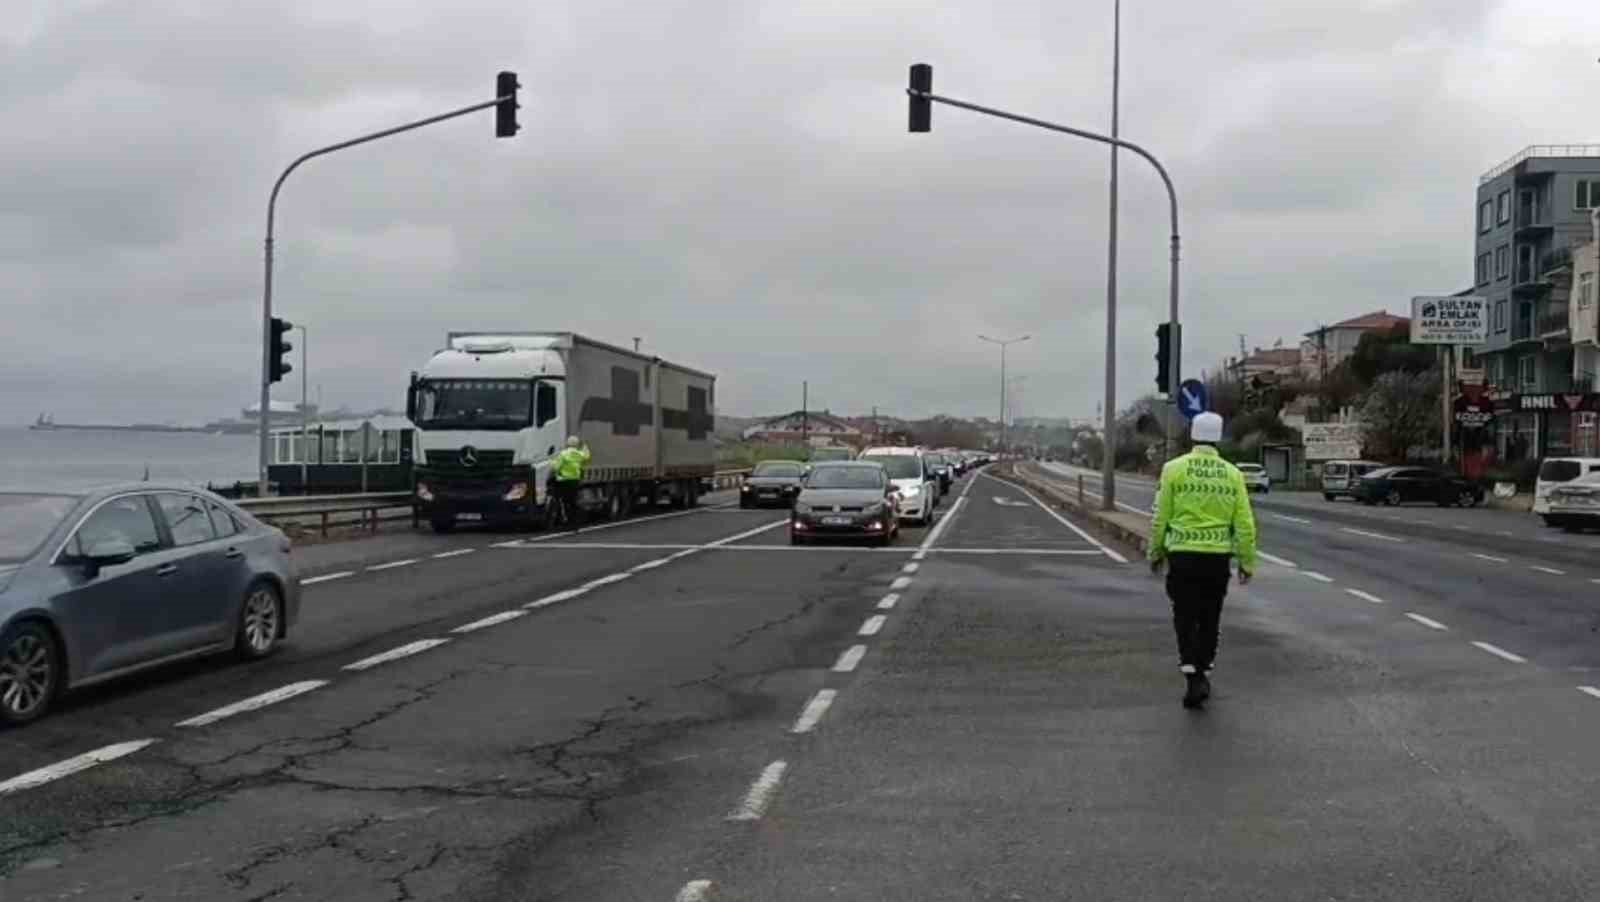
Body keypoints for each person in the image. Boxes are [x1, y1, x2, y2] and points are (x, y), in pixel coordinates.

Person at [1148, 411, 1257, 709]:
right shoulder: (1233, 474)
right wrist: (1247, 562)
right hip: (1216, 559)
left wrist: (1155, 552)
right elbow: (1245, 523)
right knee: (1210, 618)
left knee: (1184, 616)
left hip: (1182, 556)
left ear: (1193, 435)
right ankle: (1203, 671)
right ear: (1218, 437)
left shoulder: (1173, 469)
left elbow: (1160, 517)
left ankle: (1191, 675)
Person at [550, 435, 591, 528]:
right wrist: (585, 446)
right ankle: (575, 523)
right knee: (573, 502)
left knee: (565, 503)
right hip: (575, 481)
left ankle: (567, 522)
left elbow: (556, 467)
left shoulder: (563, 454)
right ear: (576, 444)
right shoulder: (579, 454)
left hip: (564, 481)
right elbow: (587, 456)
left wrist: (551, 461)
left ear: (568, 443)